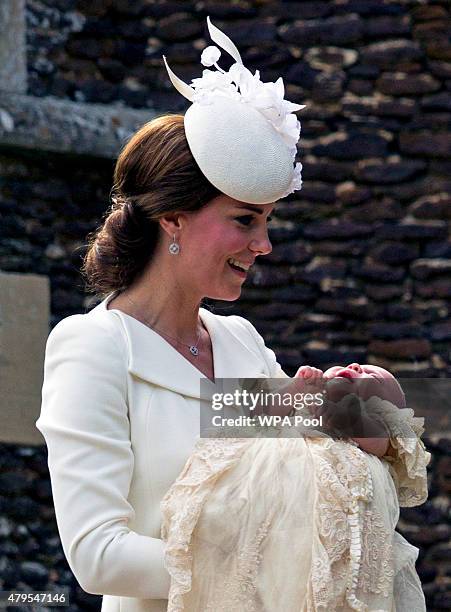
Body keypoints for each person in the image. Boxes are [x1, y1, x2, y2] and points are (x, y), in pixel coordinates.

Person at [35, 17, 430, 612]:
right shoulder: (93, 346)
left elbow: (334, 458)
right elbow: (98, 554)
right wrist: (264, 567)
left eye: (268, 221)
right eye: (246, 220)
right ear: (174, 217)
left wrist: (356, 398)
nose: (264, 244)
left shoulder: (241, 343)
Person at [160, 363, 431, 611]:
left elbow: (380, 444)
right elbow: (264, 412)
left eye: (373, 376)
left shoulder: (373, 417)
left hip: (320, 505)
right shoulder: (311, 394)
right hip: (269, 480)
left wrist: (349, 418)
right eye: (353, 366)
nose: (356, 366)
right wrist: (295, 388)